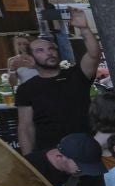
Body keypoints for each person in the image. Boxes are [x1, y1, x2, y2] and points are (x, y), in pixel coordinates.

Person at [16, 30, 99, 159]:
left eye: (51, 49)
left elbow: (94, 55)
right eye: (40, 50)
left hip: (86, 148)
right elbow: (26, 127)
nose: (49, 53)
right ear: (31, 59)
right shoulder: (26, 89)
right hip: (52, 155)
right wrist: (30, 160)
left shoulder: (77, 75)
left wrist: (84, 28)